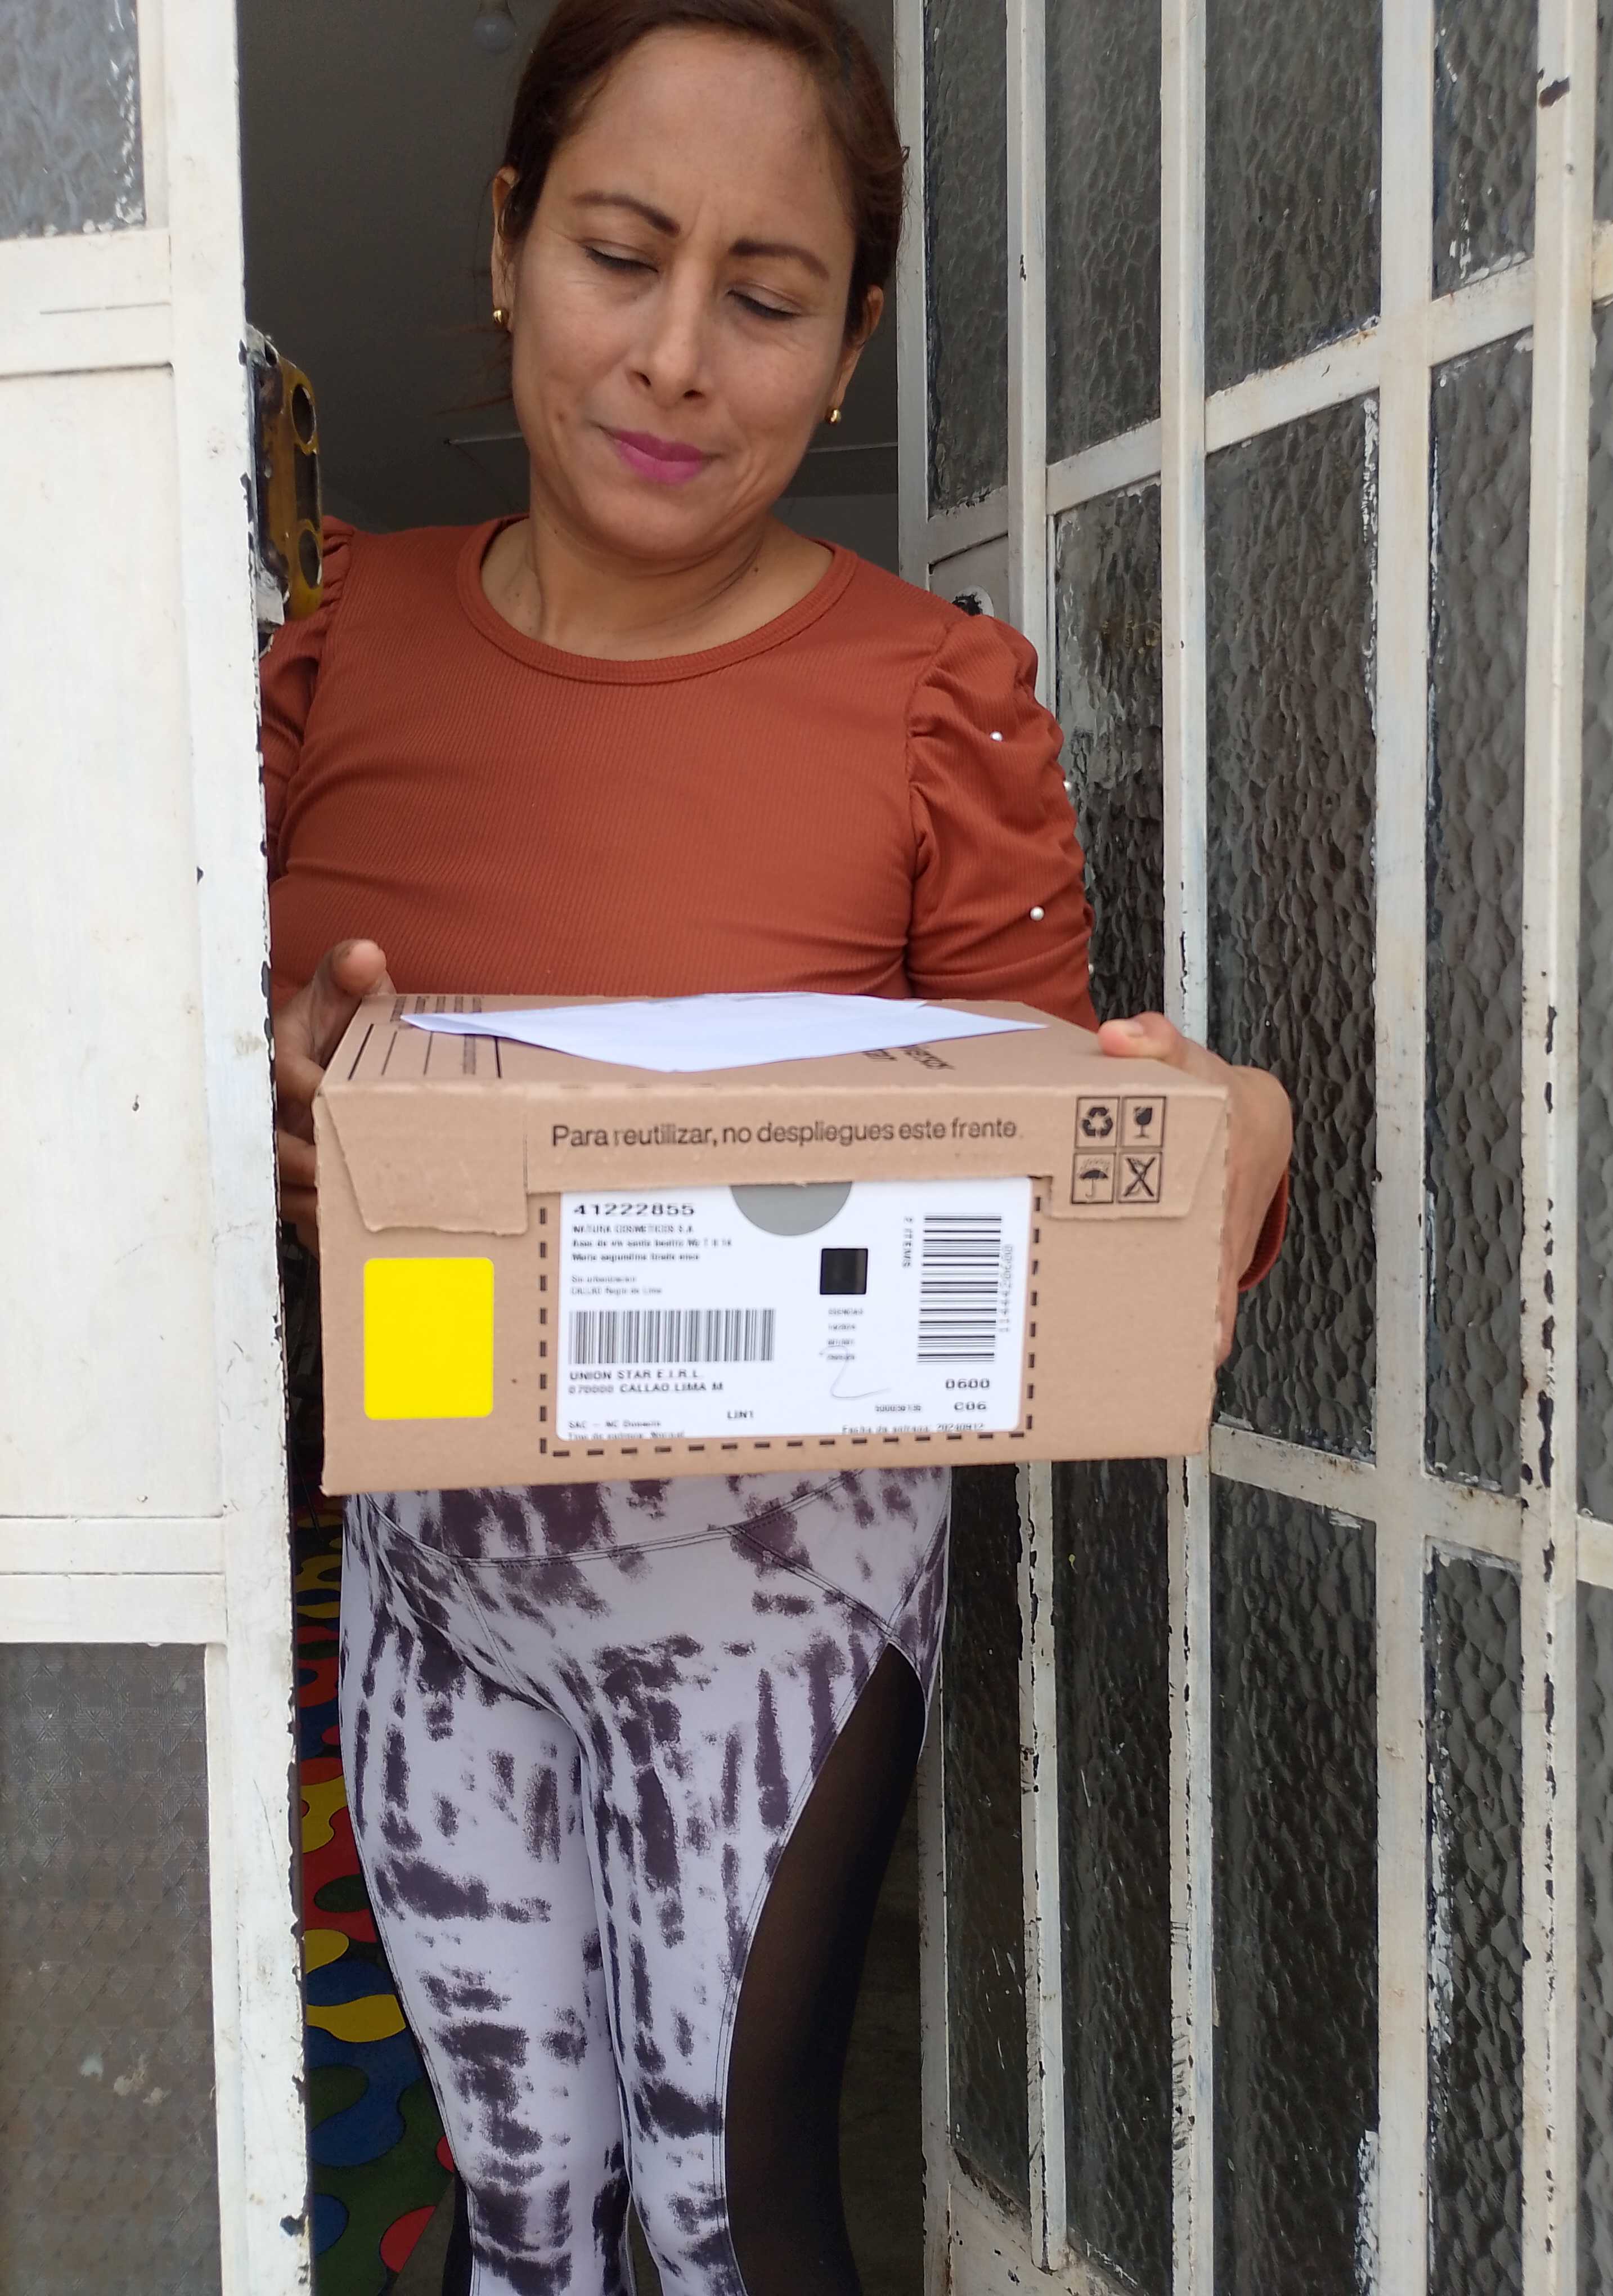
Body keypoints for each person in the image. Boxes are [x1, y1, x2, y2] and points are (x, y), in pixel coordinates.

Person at [263, 4, 1292, 2290]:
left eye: (765, 295)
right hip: (427, 1569)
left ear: (849, 349)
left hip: (776, 1605)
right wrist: (271, 1106)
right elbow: (138, 1065)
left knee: (725, 2210)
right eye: (620, 254)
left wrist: (1236, 1121)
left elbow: (1055, 1170)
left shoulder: (932, 701)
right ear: (508, 243)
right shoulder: (336, 640)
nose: (673, 360)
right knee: (518, 2211)